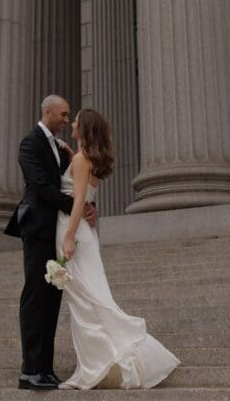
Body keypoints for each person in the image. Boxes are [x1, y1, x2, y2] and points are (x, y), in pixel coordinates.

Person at [56, 109, 180, 390]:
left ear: (83, 128)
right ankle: (95, 366)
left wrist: (68, 237)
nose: (72, 123)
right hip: (85, 234)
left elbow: (77, 203)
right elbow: (86, 198)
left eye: (75, 120)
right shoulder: (86, 160)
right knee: (89, 299)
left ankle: (93, 369)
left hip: (73, 232)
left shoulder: (79, 160)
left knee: (87, 301)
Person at [5, 95, 96, 391]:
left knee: (53, 298)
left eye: (69, 116)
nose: (67, 120)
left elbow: (74, 183)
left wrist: (83, 205)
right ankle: (29, 370)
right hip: (37, 229)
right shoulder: (29, 143)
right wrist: (75, 206)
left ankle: (45, 368)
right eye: (63, 114)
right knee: (35, 296)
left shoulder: (59, 147)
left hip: (55, 230)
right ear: (47, 111)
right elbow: (41, 187)